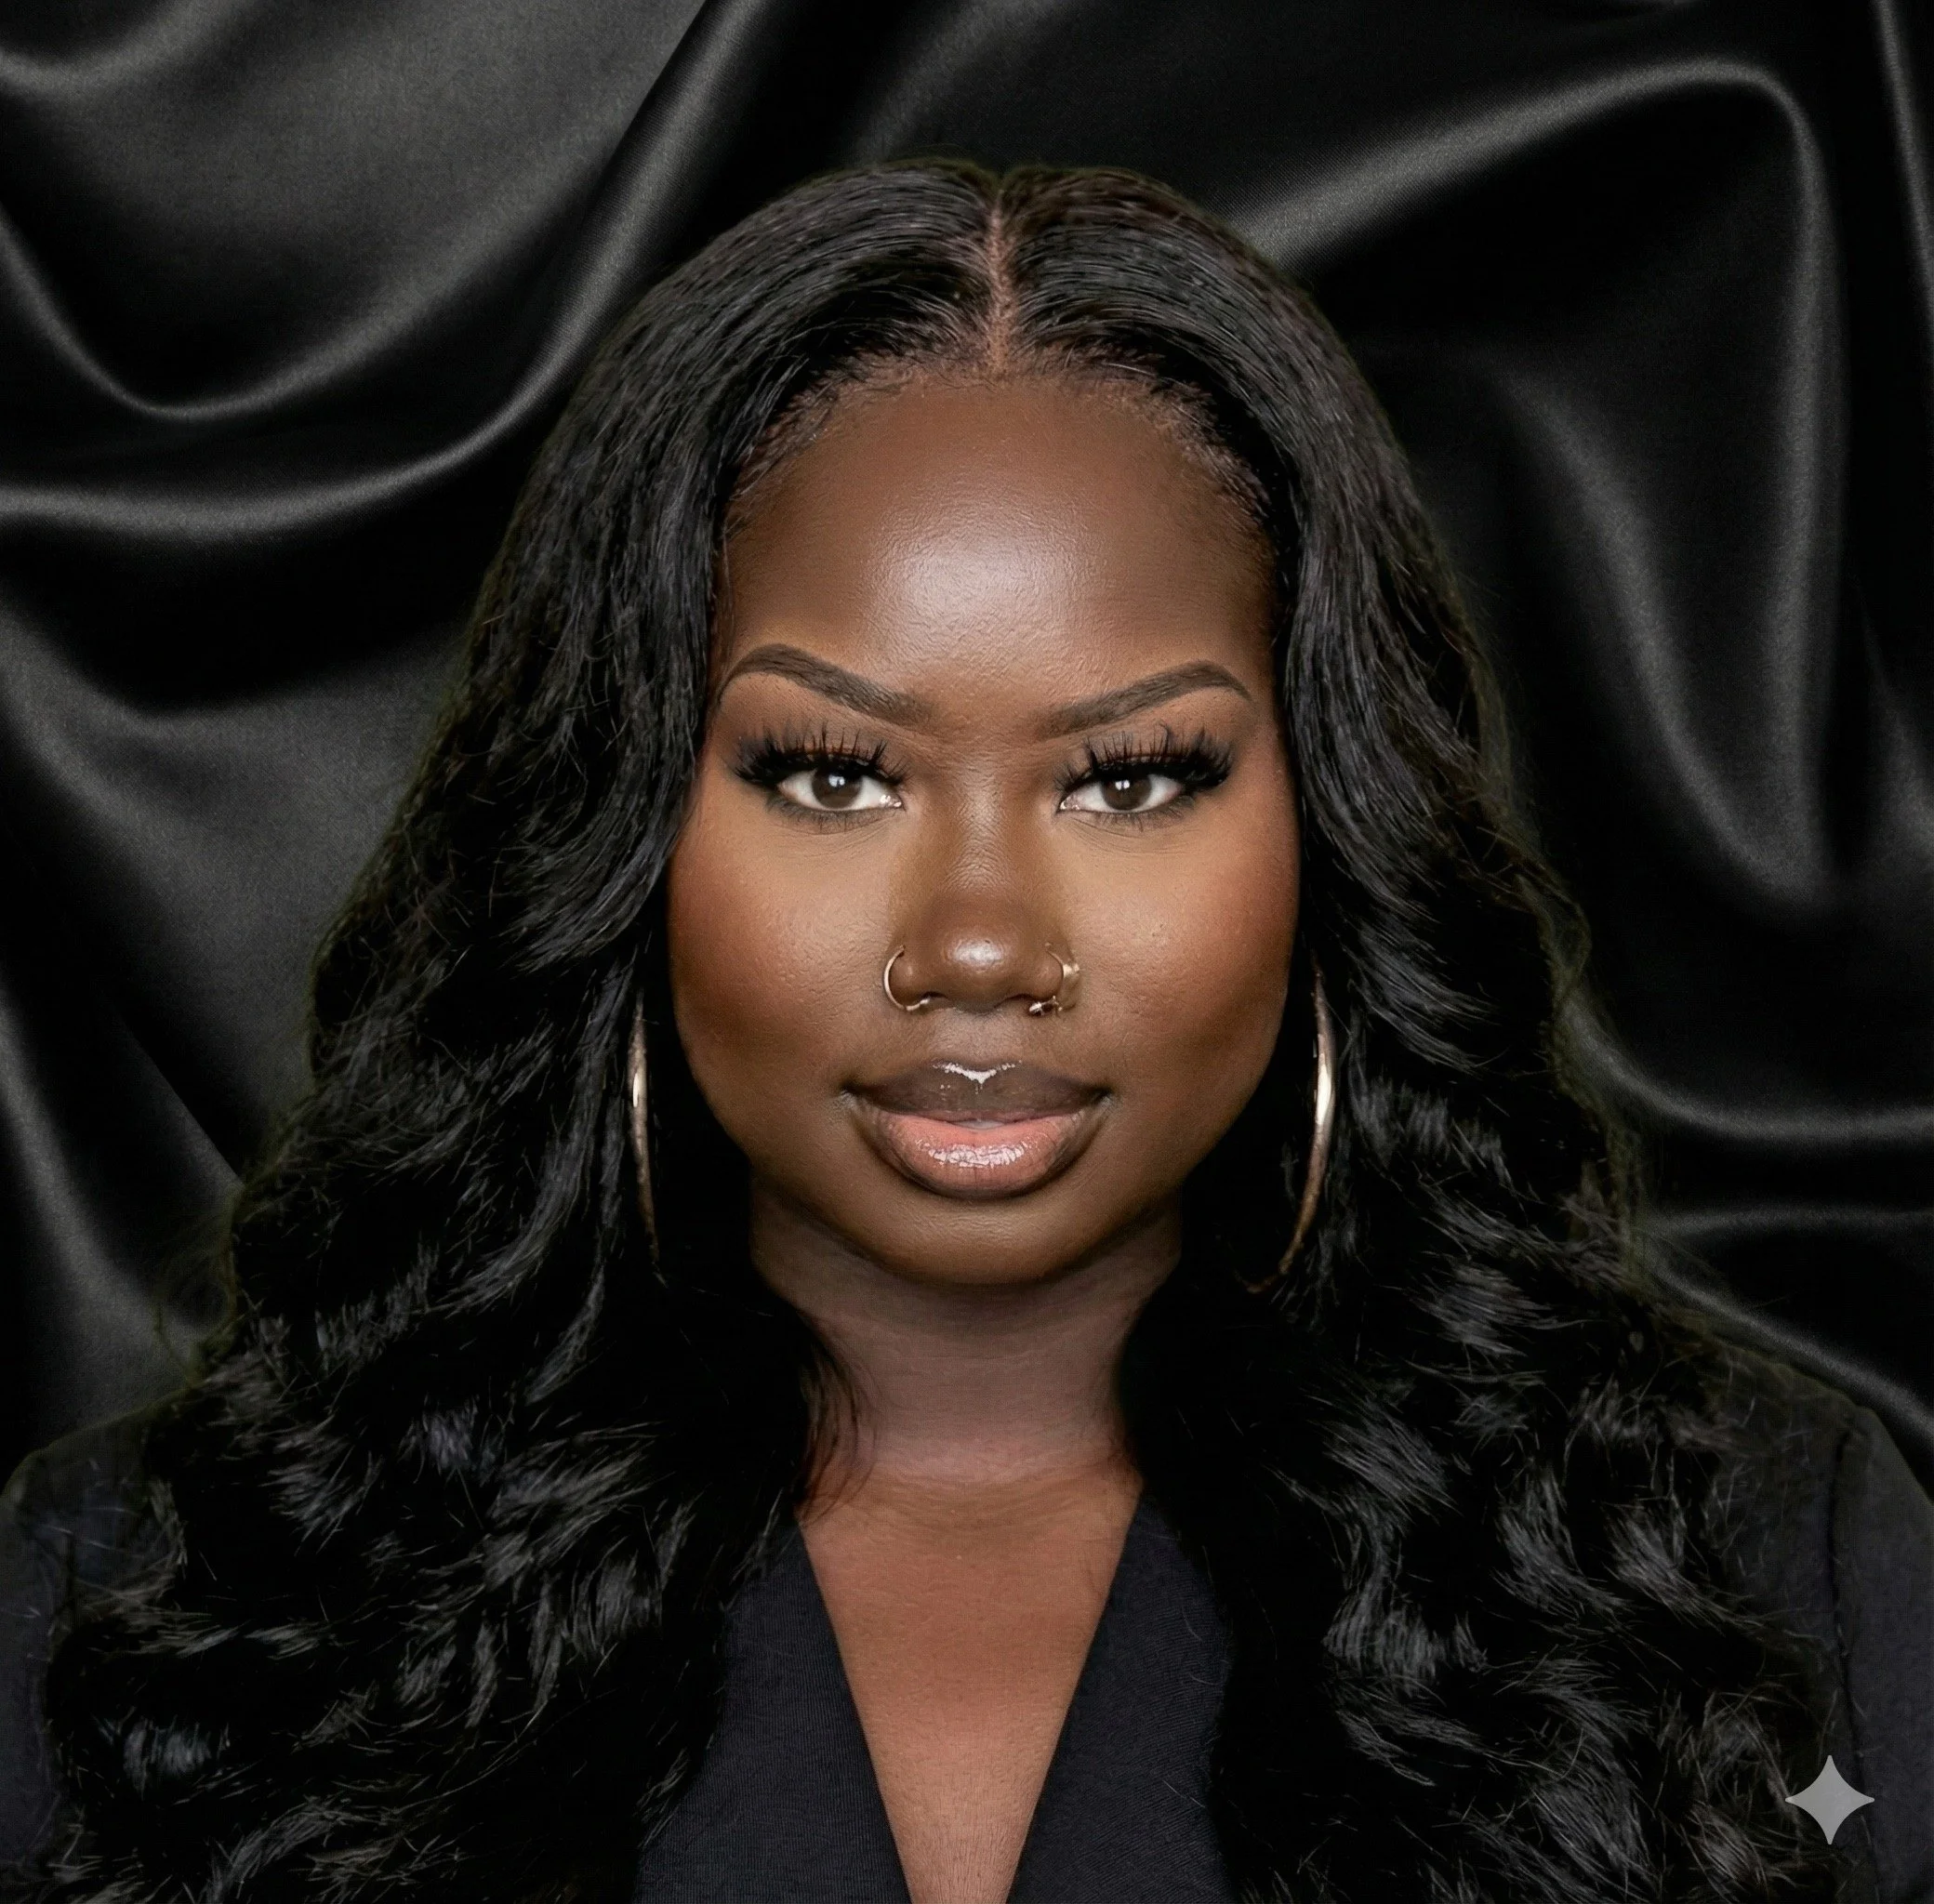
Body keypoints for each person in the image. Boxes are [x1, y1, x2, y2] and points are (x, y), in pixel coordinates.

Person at [2, 162, 1928, 1904]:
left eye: (1134, 778)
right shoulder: (159, 1597)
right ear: (621, 830)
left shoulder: (1749, 1574)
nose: (980, 943)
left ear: (1329, 834)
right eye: (833, 776)